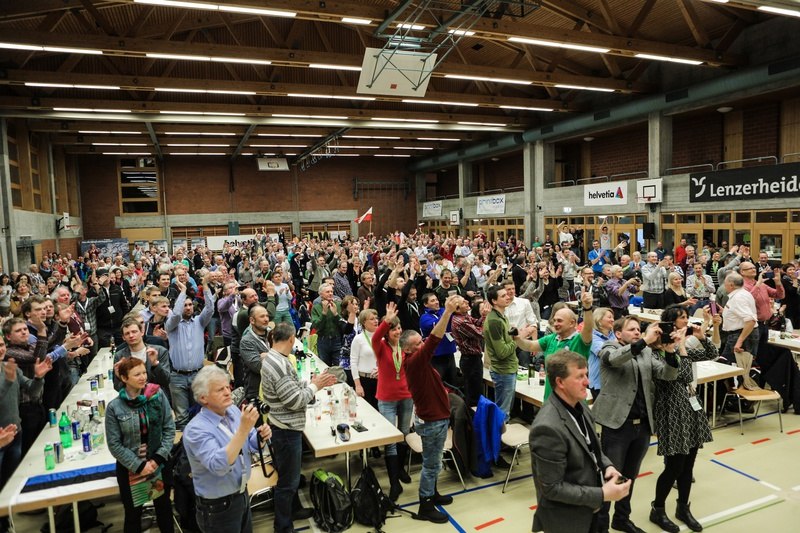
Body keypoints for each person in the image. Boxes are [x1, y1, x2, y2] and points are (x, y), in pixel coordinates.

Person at [592, 316, 681, 533]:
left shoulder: (646, 352)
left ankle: (621, 519)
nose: (636, 332)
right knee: (611, 477)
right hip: (617, 426)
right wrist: (645, 341)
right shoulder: (608, 348)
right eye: (631, 329)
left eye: (637, 329)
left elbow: (668, 375)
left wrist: (670, 351)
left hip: (642, 426)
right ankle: (600, 526)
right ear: (618, 333)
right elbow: (615, 360)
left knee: (630, 476)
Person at [529, 349, 630, 533]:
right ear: (560, 382)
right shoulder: (547, 428)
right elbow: (552, 488)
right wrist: (602, 494)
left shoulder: (580, 404)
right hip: (569, 520)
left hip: (592, 509)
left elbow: (591, 447)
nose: (587, 382)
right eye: (580, 377)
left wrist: (607, 466)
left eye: (586, 375)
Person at [260, 323, 337, 533]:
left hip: (283, 426)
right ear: (292, 339)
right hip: (285, 430)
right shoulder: (279, 364)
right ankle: (283, 526)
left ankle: (294, 510)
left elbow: (290, 389)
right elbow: (295, 401)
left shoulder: (276, 358)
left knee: (291, 478)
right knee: (288, 483)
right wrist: (316, 386)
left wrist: (311, 383)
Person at [649, 305, 719, 533]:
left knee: (689, 464)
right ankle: (658, 508)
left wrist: (702, 337)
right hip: (671, 410)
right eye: (682, 318)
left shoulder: (682, 348)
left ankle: (682, 507)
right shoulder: (654, 353)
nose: (686, 322)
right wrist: (679, 347)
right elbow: (685, 375)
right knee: (674, 467)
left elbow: (712, 353)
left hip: (690, 408)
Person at [183, 365, 274, 533]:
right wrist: (243, 430)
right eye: (220, 390)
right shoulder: (196, 430)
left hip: (242, 493)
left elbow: (250, 443)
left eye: (228, 387)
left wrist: (260, 437)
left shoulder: (232, 410)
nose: (228, 392)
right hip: (218, 507)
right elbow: (219, 465)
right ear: (203, 398)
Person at [402, 294, 461, 523]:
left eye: (421, 341)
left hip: (436, 417)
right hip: (432, 421)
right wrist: (448, 312)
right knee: (431, 464)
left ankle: (432, 493)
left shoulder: (419, 362)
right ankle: (425, 505)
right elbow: (434, 340)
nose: (422, 345)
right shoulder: (415, 361)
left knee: (434, 463)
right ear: (408, 349)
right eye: (418, 344)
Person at [106, 357, 175, 533]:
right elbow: (114, 444)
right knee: (132, 515)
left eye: (144, 372)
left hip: (159, 464)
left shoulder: (157, 395)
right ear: (124, 378)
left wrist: (157, 459)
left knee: (164, 509)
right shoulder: (114, 407)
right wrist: (139, 466)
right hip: (130, 468)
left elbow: (169, 428)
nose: (143, 377)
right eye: (137, 374)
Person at [512, 288, 594, 401]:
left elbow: (588, 328)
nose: (555, 324)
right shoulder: (551, 338)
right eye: (554, 320)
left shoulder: (579, 340)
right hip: (550, 400)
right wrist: (517, 338)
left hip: (571, 402)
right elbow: (529, 346)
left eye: (559, 321)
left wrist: (587, 308)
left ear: (572, 323)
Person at [372, 302, 414, 501]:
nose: (398, 331)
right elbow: (375, 336)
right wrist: (385, 321)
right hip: (387, 398)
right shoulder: (380, 346)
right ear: (387, 332)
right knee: (391, 439)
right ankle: (394, 483)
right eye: (393, 329)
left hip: (406, 396)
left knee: (404, 433)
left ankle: (400, 470)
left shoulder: (405, 348)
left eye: (399, 328)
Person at [165, 273, 216, 429]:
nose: (188, 307)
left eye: (190, 305)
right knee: (182, 418)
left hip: (197, 375)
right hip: (177, 377)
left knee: (199, 414)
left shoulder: (199, 322)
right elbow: (176, 314)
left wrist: (205, 285)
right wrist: (183, 292)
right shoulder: (172, 325)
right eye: (185, 305)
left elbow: (210, 309)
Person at [451, 296, 490, 408]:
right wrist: (486, 317)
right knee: (474, 395)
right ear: (457, 309)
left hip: (472, 358)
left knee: (476, 390)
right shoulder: (461, 321)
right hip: (470, 360)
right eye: (463, 302)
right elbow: (480, 333)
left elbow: (476, 323)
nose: (467, 301)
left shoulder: (464, 316)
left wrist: (483, 316)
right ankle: (473, 417)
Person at [112, 317, 171, 391]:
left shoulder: (159, 351)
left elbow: (166, 381)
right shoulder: (119, 356)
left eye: (134, 332)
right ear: (123, 337)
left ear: (142, 332)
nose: (131, 335)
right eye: (127, 333)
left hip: (157, 396)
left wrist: (155, 364)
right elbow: (117, 388)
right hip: (133, 397)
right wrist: (119, 377)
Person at [589, 307, 615, 400]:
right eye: (609, 317)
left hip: (612, 382)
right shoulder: (592, 337)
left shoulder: (613, 335)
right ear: (599, 320)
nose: (612, 320)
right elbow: (606, 354)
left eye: (613, 317)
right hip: (599, 384)